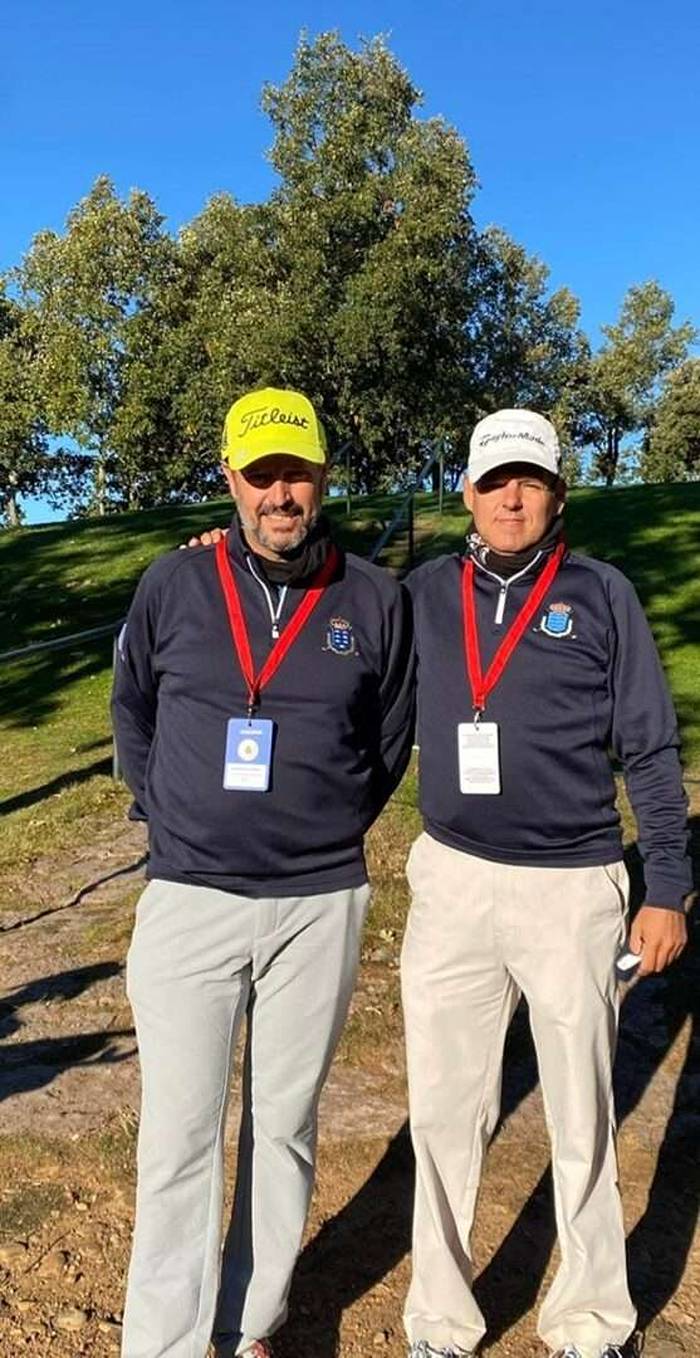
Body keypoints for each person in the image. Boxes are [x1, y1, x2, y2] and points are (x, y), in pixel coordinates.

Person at [112, 386, 415, 1358]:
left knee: (282, 1126)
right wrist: (173, 814)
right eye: (261, 473)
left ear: (324, 475)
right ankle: (164, 1340)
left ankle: (250, 1323)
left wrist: (323, 826)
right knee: (178, 1138)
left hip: (317, 902)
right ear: (231, 477)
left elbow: (389, 739)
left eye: (297, 471)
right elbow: (133, 709)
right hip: (190, 898)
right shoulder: (174, 582)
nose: (280, 492)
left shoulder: (374, 598)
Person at [401, 408, 690, 1358]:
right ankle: (439, 1321)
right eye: (493, 481)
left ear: (557, 491)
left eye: (529, 479)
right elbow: (317, 602)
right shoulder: (420, 595)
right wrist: (215, 551)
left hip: (573, 886)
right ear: (467, 493)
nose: (511, 496)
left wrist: (667, 885)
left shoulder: (601, 593)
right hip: (452, 881)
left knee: (584, 1114)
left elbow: (650, 746)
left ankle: (591, 1321)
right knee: (445, 1110)